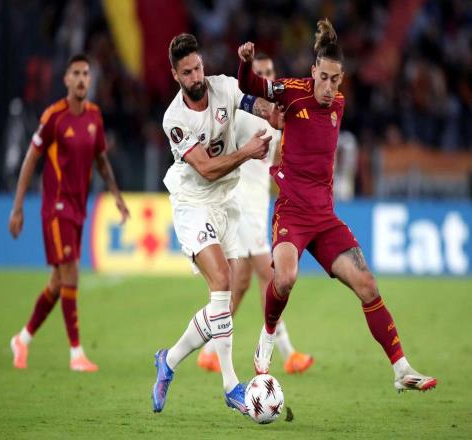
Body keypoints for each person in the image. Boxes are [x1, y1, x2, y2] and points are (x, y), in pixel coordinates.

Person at [237, 19, 437, 392]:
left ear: (342, 79)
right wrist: (246, 64)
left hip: (324, 217)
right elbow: (250, 86)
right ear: (313, 71)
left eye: (336, 80)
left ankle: (401, 369)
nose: (329, 87)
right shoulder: (291, 91)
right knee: (285, 278)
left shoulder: (338, 105)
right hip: (291, 211)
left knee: (368, 285)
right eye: (324, 78)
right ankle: (267, 336)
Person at [152, 33, 276, 414]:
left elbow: (257, 104)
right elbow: (205, 169)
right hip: (194, 202)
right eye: (187, 72)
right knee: (222, 280)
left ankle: (169, 360)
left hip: (227, 201)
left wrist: (276, 113)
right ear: (175, 75)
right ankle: (230, 385)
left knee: (224, 296)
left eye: (198, 68)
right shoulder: (174, 119)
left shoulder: (223, 87)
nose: (196, 77)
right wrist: (248, 152)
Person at [9, 54, 130, 372]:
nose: (80, 79)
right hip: (56, 207)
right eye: (75, 73)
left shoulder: (94, 116)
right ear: (66, 79)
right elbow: (30, 159)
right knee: (71, 274)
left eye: (85, 73)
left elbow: (101, 160)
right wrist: (18, 208)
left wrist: (117, 196)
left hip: (79, 209)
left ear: (90, 80)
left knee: (56, 283)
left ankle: (22, 339)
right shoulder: (54, 117)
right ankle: (76, 353)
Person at [197, 53, 314, 375]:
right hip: (239, 206)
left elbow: (272, 164)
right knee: (270, 274)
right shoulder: (242, 117)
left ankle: (208, 350)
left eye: (268, 72)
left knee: (242, 283)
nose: (264, 77)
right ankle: (287, 352)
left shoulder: (274, 118)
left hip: (258, 207)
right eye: (258, 72)